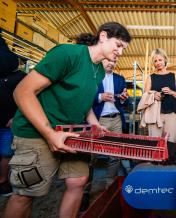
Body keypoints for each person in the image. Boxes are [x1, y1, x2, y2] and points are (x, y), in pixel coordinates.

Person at [3, 22, 131, 218]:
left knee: (79, 180)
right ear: (103, 36)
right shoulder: (68, 54)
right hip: (38, 133)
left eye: (124, 48)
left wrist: (94, 123)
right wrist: (49, 133)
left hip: (71, 132)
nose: (120, 52)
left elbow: (84, 98)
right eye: (119, 45)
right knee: (26, 193)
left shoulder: (97, 69)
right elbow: (22, 91)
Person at [0, 34, 26, 196]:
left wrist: (18, 115)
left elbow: (31, 99)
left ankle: (3, 181)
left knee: (6, 153)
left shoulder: (19, 77)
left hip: (8, 123)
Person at [144, 48, 176, 142]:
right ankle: (155, 157)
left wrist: (171, 92)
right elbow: (145, 95)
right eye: (155, 61)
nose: (158, 63)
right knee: (155, 142)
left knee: (170, 141)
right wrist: (154, 94)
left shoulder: (174, 76)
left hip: (171, 114)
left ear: (165, 59)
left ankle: (168, 157)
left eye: (160, 60)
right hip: (154, 113)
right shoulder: (150, 77)